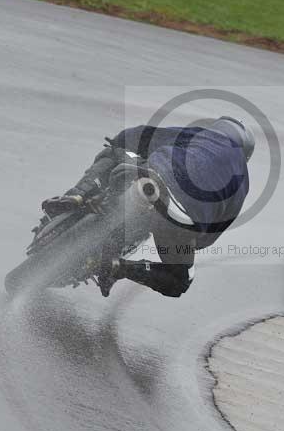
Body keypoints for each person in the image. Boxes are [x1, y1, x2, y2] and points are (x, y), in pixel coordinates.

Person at [43, 117, 254, 297]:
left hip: (151, 179)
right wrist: (181, 241)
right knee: (180, 280)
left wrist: (119, 142)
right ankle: (119, 267)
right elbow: (207, 238)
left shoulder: (202, 136)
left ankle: (78, 194)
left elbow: (140, 136)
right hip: (180, 218)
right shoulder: (242, 185)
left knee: (115, 152)